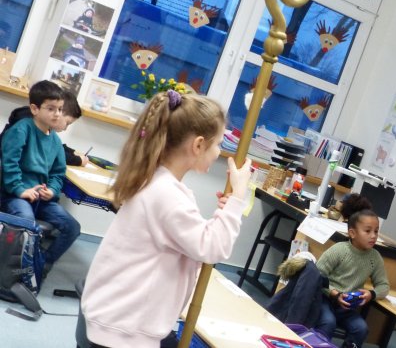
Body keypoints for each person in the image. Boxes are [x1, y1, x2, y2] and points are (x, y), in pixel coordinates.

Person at [79, 90, 251, 347]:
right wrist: (237, 198)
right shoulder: (167, 195)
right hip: (124, 330)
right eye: (217, 145)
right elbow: (212, 247)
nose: (219, 153)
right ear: (198, 145)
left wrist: (224, 214)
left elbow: (192, 238)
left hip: (119, 318)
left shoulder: (160, 183)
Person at [0, 80, 81, 271]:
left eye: (60, 109)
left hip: (42, 199)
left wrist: (52, 191)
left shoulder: (55, 141)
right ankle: (12, 268)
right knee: (27, 224)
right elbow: (9, 165)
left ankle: (40, 264)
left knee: (72, 228)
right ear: (35, 109)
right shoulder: (21, 130)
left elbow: (57, 174)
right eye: (51, 109)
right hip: (15, 195)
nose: (57, 114)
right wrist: (20, 190)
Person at [316, 209, 390, 348]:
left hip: (347, 307)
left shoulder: (375, 257)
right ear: (352, 233)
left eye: (376, 231)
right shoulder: (339, 250)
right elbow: (317, 276)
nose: (373, 236)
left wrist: (371, 294)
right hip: (325, 300)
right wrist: (334, 293)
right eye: (368, 231)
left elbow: (384, 285)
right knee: (328, 322)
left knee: (361, 328)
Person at [1, 90, 88, 166]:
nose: (65, 128)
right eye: (67, 123)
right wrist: (78, 160)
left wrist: (71, 152)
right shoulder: (28, 124)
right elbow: (49, 153)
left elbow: (52, 146)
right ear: (59, 111)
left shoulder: (44, 126)